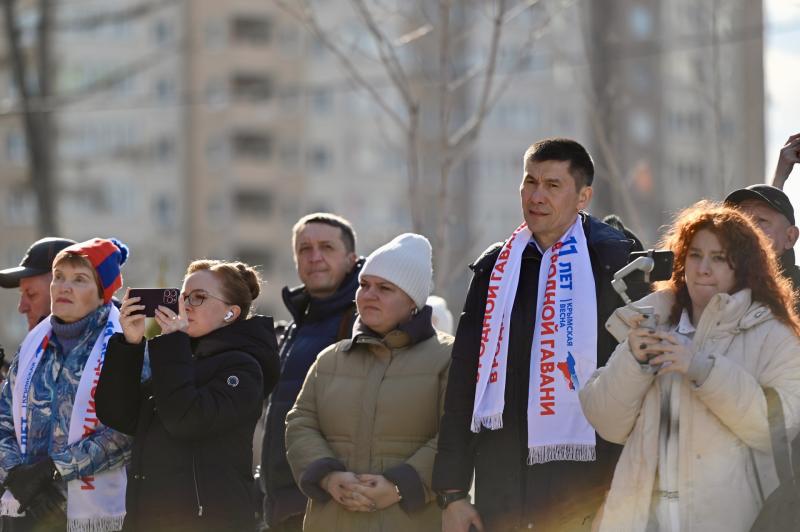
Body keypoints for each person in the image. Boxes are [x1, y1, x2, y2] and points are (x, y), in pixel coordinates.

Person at [432, 138, 642, 532]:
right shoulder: (496, 268)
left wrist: (621, 499)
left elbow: (636, 389)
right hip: (503, 491)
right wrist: (453, 493)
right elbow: (464, 381)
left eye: (552, 185)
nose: (537, 196)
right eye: (530, 182)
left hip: (587, 493)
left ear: (583, 196)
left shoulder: (615, 263)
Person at [579, 201, 800, 531]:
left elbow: (779, 429)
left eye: (719, 258)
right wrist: (633, 361)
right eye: (695, 255)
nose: (703, 269)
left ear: (743, 267)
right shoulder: (653, 318)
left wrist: (702, 369)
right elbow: (606, 423)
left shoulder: (773, 334)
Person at [95, 259, 279, 532]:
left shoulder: (244, 367)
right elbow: (119, 414)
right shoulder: (182, 358)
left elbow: (186, 419)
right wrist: (129, 344)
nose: (185, 306)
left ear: (230, 313)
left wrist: (172, 342)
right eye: (182, 297)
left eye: (198, 297)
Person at [285, 233, 453, 532]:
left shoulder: (449, 357)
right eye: (364, 285)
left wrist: (400, 486)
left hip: (411, 522)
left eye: (385, 288)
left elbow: (455, 435)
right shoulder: (330, 359)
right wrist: (328, 477)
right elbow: (300, 423)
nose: (369, 294)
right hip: (332, 521)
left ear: (412, 301)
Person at [0, 238, 133, 532]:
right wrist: (16, 474)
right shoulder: (33, 343)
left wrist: (53, 470)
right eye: (58, 277)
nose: (64, 287)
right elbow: (3, 416)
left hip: (91, 518)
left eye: (79, 279)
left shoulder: (127, 343)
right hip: (24, 508)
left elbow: (127, 432)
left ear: (102, 293)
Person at [260, 213, 362, 531]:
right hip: (285, 507)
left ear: (351, 259)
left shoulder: (363, 322)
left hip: (335, 506)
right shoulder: (296, 327)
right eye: (304, 249)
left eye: (326, 247)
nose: (314, 256)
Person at [724, 184, 800, 311]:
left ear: (790, 237)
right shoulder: (714, 284)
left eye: (762, 220)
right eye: (740, 221)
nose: (747, 228)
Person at [0, 237, 76, 331]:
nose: (22, 308)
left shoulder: (93, 339)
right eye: (22, 294)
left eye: (31, 294)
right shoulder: (35, 339)